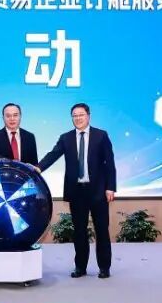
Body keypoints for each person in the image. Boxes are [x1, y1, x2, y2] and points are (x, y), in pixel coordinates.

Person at [37, 103, 117, 279]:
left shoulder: (101, 135)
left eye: (81, 115)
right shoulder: (66, 138)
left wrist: (111, 187)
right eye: (74, 115)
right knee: (79, 231)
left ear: (88, 116)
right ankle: (80, 267)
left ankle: (104, 267)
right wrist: (38, 168)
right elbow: (53, 155)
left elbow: (110, 163)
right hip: (77, 192)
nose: (78, 118)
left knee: (102, 229)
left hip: (98, 190)